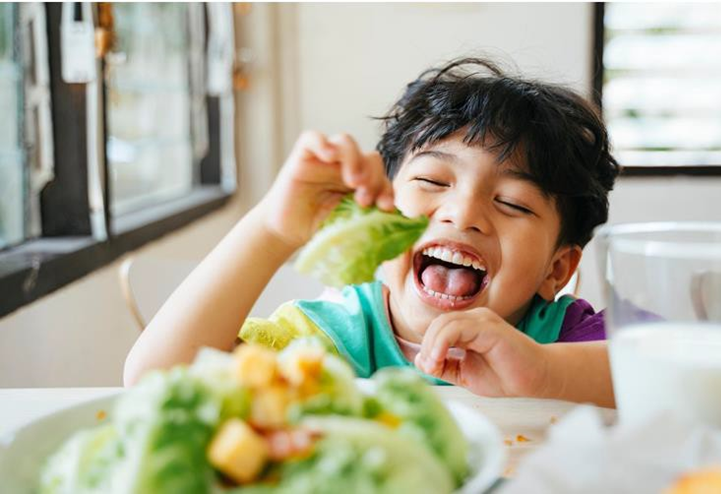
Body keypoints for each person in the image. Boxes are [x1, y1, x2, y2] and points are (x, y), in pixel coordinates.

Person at [124, 57, 620, 407]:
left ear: (557, 268)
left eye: (512, 203)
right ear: (380, 206)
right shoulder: (327, 342)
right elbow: (156, 382)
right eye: (431, 180)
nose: (461, 213)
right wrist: (271, 232)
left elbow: (675, 375)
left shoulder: (564, 340)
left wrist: (543, 371)